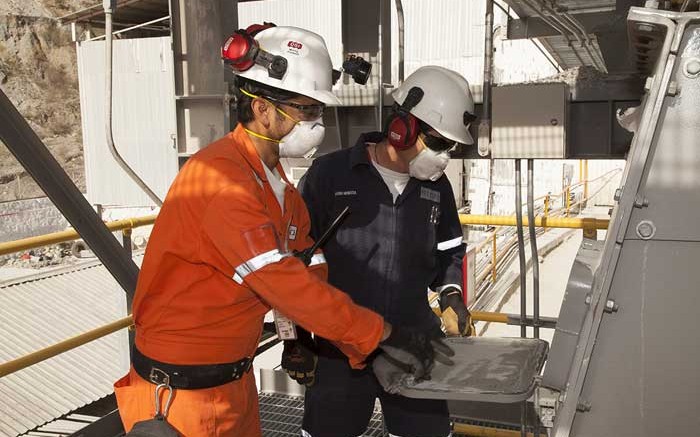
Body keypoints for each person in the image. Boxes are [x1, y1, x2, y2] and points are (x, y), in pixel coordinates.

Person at [114, 25, 452, 437]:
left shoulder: (279, 189)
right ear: (262, 109)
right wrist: (383, 335)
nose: (317, 123)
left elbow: (309, 273)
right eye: (307, 110)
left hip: (233, 386)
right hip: (180, 400)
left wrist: (360, 349)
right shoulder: (219, 181)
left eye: (318, 111)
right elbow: (282, 282)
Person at [284, 65, 477, 437]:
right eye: (438, 143)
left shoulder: (437, 187)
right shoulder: (329, 176)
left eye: (451, 147)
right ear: (401, 129)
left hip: (414, 345)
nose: (444, 157)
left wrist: (451, 295)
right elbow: (291, 268)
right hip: (337, 349)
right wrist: (295, 340)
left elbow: (449, 249)